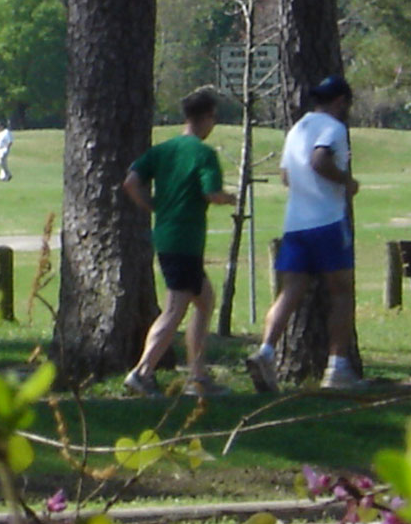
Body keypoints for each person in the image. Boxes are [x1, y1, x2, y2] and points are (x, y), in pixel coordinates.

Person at [244, 75, 362, 391]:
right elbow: (319, 159)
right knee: (341, 292)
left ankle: (267, 350)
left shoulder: (297, 129)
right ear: (340, 102)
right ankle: (337, 367)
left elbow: (285, 174)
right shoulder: (333, 129)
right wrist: (346, 182)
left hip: (295, 223)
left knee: (291, 291)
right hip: (327, 221)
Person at [122, 89, 238, 396]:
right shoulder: (204, 154)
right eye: (214, 117)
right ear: (207, 117)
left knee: (205, 300)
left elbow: (131, 182)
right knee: (175, 308)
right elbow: (211, 193)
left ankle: (197, 377)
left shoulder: (163, 150)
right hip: (185, 240)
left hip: (167, 235)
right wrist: (229, 198)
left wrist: (152, 206)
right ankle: (142, 371)